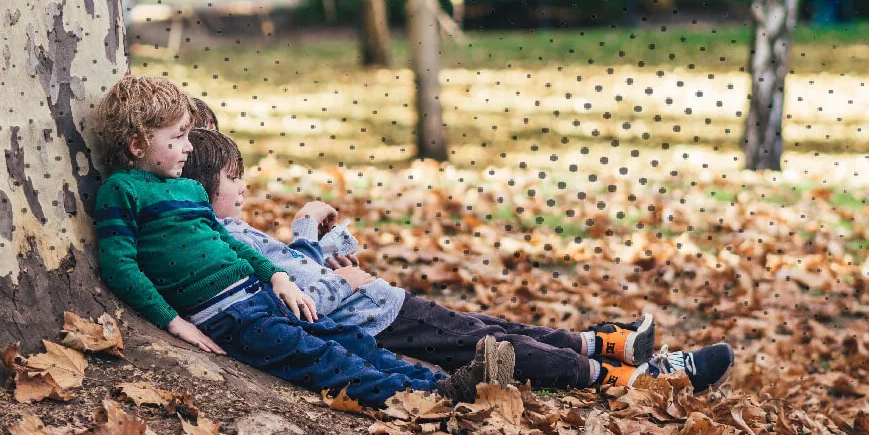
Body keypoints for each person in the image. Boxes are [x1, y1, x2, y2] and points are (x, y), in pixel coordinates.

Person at [180, 125, 736, 394]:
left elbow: (302, 276)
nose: (245, 189)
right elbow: (303, 294)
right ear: (203, 187)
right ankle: (630, 380)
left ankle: (605, 342)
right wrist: (306, 235)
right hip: (375, 320)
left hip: (380, 303)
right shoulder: (220, 238)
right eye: (234, 179)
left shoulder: (227, 227)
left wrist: (325, 250)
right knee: (495, 347)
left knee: (493, 327)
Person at [90, 74, 514, 406]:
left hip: (259, 294)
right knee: (322, 359)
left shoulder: (189, 190)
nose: (188, 147)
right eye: (177, 137)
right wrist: (172, 321)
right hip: (227, 317)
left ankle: (449, 385)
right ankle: (423, 400)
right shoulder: (123, 191)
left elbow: (230, 244)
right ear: (137, 143)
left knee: (346, 339)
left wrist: (277, 277)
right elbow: (120, 266)